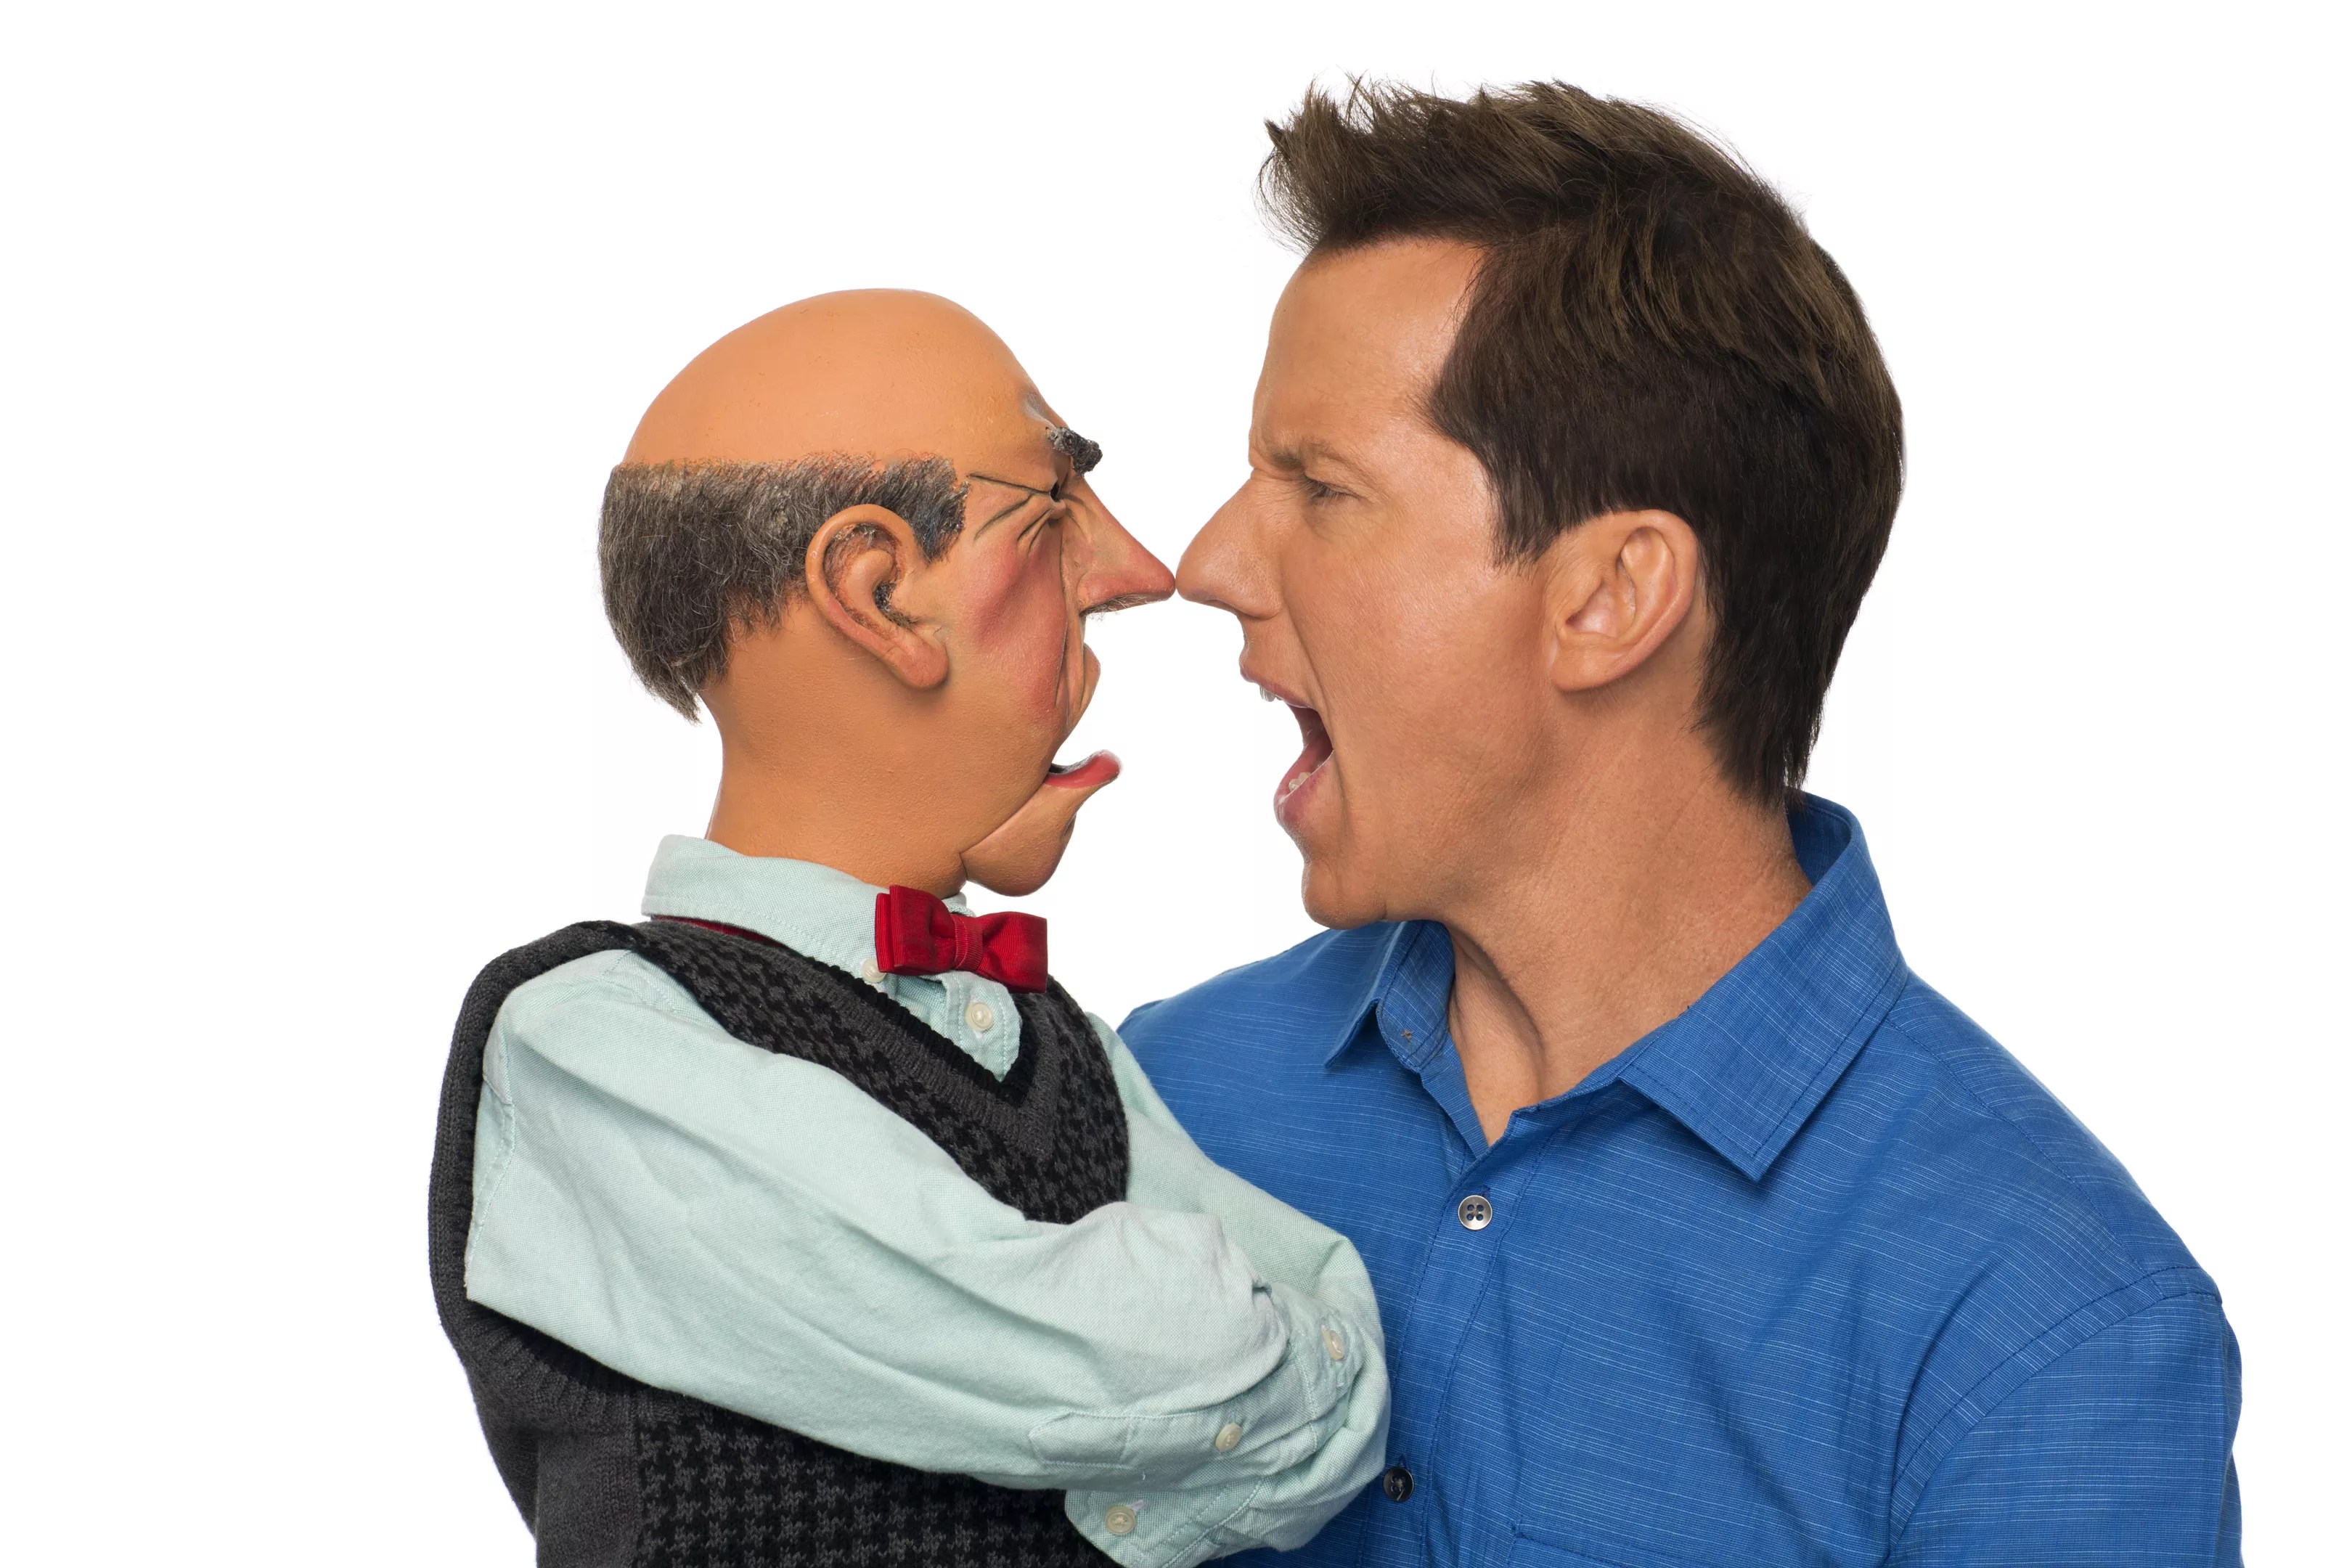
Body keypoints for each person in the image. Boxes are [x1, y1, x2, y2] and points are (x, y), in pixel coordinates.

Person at [1124, 82, 2242, 1567]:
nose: (1206, 561)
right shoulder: (1160, 1105)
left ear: (1609, 598)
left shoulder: (2044, 1327)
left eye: (1320, 488)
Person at [427, 290, 1387, 1568]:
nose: (1142, 572)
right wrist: (1192, 1351)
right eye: (1055, 507)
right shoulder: (591, 1040)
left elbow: (1342, 1383)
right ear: (877, 591)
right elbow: (1176, 1364)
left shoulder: (1066, 1048)